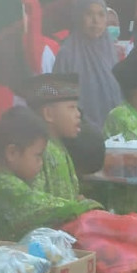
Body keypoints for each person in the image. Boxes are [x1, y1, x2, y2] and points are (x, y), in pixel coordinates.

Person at [0, 106, 100, 239]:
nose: (41, 163)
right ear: (12, 153)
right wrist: (83, 206)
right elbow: (41, 207)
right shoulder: (4, 186)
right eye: (38, 156)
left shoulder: (15, 181)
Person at [20, 72, 103, 208]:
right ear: (49, 114)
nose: (78, 114)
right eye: (71, 108)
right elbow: (37, 201)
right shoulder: (40, 151)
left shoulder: (61, 146)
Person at [54, 0, 123, 131]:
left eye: (101, 15)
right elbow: (60, 100)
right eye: (89, 14)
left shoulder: (110, 49)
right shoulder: (68, 53)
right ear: (79, 17)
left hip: (114, 131)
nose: (95, 20)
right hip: (81, 133)